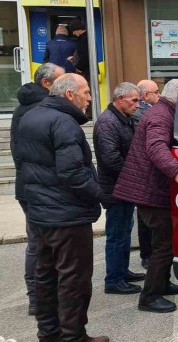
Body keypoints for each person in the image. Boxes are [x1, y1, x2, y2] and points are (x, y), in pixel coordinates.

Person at [15, 73, 109, 342]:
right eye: (86, 92)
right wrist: (100, 194)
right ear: (69, 95)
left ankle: (49, 334)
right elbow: (72, 174)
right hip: (67, 216)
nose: (90, 98)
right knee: (74, 280)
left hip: (41, 212)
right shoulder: (64, 122)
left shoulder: (30, 116)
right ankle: (73, 336)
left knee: (46, 276)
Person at [113, 79, 178, 314]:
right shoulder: (160, 116)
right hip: (150, 191)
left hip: (153, 189)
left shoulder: (164, 112)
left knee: (166, 243)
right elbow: (156, 147)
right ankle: (149, 296)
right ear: (177, 97)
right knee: (163, 246)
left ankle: (162, 283)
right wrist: (177, 170)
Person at [10, 62, 64, 316]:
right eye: (61, 80)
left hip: (32, 185)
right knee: (38, 244)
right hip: (34, 188)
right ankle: (37, 297)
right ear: (46, 83)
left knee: (41, 243)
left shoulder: (32, 107)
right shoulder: (37, 109)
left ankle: (43, 295)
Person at [95, 82, 146, 296]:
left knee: (125, 231)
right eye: (134, 100)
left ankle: (122, 272)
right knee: (117, 234)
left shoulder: (124, 119)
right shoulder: (107, 122)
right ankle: (114, 280)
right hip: (115, 189)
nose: (138, 104)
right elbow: (111, 159)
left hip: (124, 187)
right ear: (120, 99)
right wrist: (135, 173)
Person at [132, 79, 159, 269]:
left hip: (148, 173)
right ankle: (147, 256)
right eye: (156, 91)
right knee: (145, 220)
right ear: (146, 95)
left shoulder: (147, 110)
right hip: (143, 173)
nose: (160, 94)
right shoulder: (141, 114)